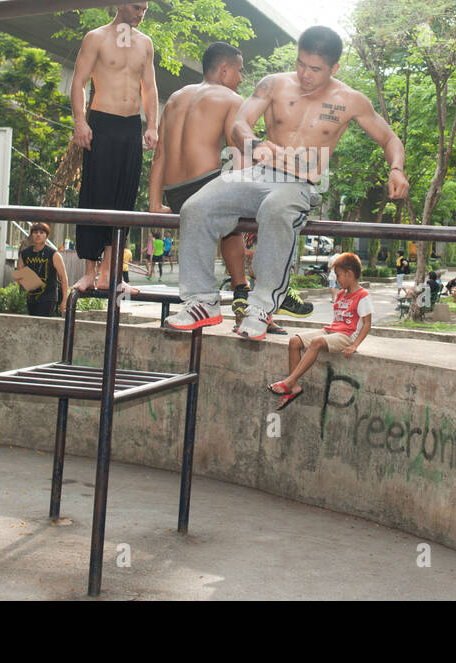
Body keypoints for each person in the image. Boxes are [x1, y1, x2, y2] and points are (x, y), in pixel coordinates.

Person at [167, 25, 408, 338]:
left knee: (279, 207)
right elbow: (240, 123)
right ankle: (201, 301)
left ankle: (261, 306)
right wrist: (254, 144)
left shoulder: (350, 100)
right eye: (300, 64)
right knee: (196, 206)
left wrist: (397, 168)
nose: (305, 74)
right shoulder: (274, 84)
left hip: (299, 183)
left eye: (315, 69)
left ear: (334, 67)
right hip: (257, 174)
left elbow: (389, 137)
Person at [147, 42, 251, 314]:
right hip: (206, 187)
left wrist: (155, 204)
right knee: (255, 214)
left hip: (176, 194)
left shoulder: (174, 98)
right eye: (239, 71)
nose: (240, 79)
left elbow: (158, 156)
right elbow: (237, 154)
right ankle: (242, 289)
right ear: (225, 69)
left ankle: (237, 289)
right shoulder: (232, 100)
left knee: (228, 224)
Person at [70, 1, 158, 292]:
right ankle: (89, 271)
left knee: (124, 198)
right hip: (102, 122)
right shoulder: (96, 37)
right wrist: (80, 122)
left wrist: (152, 125)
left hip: (131, 125)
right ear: (120, 3)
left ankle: (111, 275)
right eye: (136, 7)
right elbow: (79, 81)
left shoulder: (145, 44)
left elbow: (150, 87)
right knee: (96, 194)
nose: (140, 13)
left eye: (145, 9)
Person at [268, 253, 372, 409]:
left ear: (349, 273)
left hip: (347, 336)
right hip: (331, 331)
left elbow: (367, 324)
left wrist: (355, 345)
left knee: (316, 343)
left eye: (338, 275)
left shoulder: (363, 295)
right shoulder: (341, 294)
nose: (336, 280)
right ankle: (295, 387)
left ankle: (289, 382)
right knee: (294, 341)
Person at [17, 223, 69, 318]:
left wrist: (64, 300)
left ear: (46, 236)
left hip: (48, 297)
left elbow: (64, 278)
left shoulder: (53, 254)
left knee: (43, 323)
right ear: (31, 235)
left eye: (41, 233)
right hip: (31, 297)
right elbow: (19, 275)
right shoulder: (25, 253)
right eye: (35, 232)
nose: (38, 235)